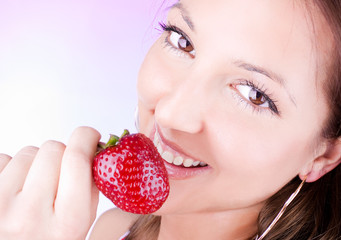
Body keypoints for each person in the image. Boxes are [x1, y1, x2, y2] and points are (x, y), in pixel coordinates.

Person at [0, 0, 340, 239]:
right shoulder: (114, 226)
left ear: (323, 154)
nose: (169, 113)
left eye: (254, 94)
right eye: (183, 41)